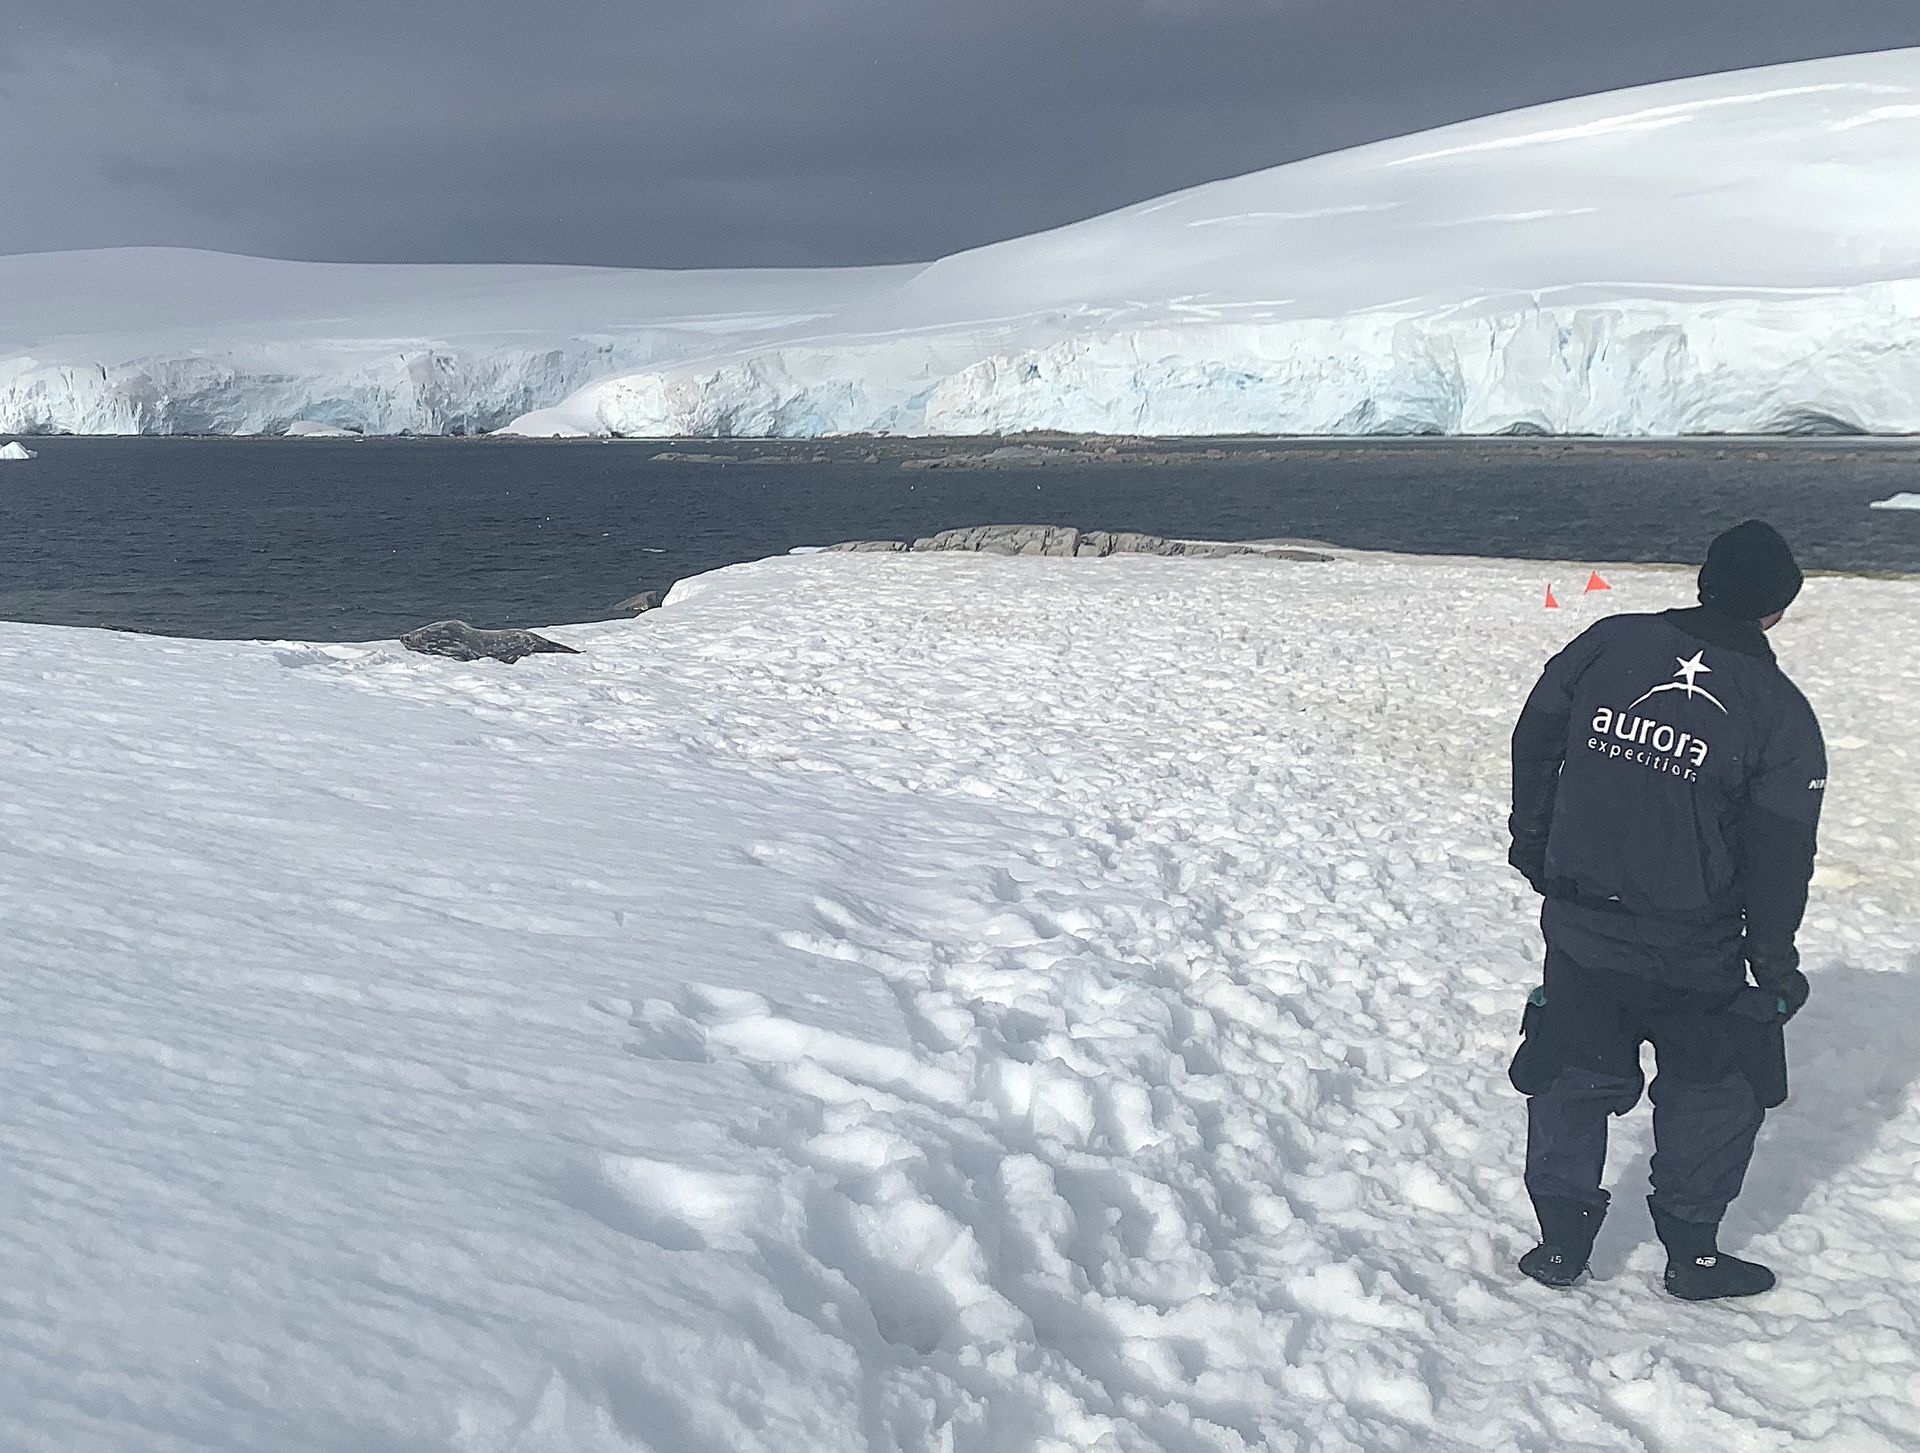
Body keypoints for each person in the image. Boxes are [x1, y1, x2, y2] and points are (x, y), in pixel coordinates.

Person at [1506, 520, 1826, 1300]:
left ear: (1703, 581)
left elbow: (1535, 734)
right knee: (1713, 1090)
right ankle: (1692, 1253)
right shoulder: (1780, 713)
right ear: (1777, 608)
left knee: (1572, 1072)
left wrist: (1533, 839)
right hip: (1695, 944)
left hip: (1582, 920)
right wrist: (1775, 967)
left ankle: (1560, 1245)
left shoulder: (1608, 641)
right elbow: (1782, 854)